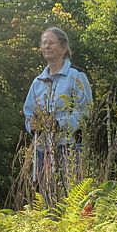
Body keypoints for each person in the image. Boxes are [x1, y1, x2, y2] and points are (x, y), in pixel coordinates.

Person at [23, 27, 93, 196]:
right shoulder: (37, 82)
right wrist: (32, 125)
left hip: (69, 148)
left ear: (63, 47)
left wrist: (59, 124)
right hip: (42, 149)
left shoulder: (76, 76)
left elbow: (85, 111)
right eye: (44, 43)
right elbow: (28, 113)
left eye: (51, 42)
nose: (47, 46)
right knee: (44, 196)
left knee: (70, 195)